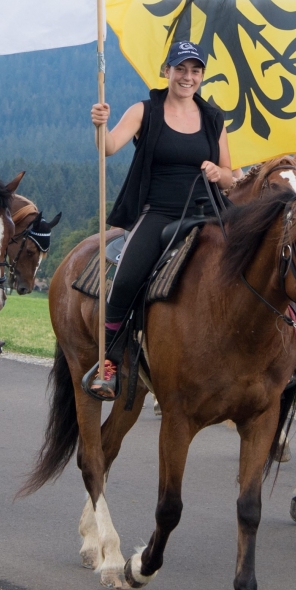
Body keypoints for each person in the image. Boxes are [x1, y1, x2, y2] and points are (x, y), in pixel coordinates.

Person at [85, 39, 234, 398]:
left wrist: (219, 172)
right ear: (166, 71)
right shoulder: (145, 110)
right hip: (160, 211)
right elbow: (107, 148)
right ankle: (110, 359)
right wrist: (99, 125)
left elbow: (232, 174)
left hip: (209, 212)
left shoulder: (214, 118)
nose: (188, 77)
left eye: (195, 70)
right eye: (180, 69)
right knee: (125, 280)